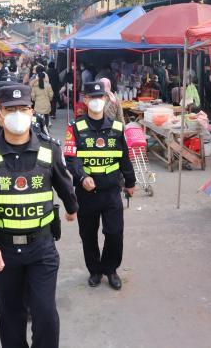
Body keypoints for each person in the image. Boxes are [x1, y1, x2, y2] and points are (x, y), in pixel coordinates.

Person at [0, 84, 78, 348]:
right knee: (11, 314)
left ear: (32, 112)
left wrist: (72, 208)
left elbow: (64, 183)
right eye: (10, 109)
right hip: (3, 249)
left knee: (45, 314)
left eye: (23, 109)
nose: (18, 114)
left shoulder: (49, 150)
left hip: (42, 248)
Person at [64, 81, 136, 290]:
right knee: (88, 234)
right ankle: (95, 270)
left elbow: (124, 157)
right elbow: (71, 158)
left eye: (100, 97)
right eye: (91, 98)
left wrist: (130, 182)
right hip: (86, 192)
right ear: (85, 100)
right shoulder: (75, 128)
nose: (96, 101)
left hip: (112, 189)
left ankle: (111, 269)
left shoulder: (116, 127)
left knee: (114, 232)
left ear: (106, 99)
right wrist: (81, 176)